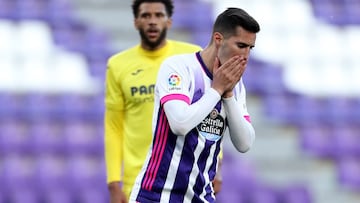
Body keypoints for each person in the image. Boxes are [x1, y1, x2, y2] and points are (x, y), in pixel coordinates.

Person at [129, 7, 260, 203]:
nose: (246, 56)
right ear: (218, 39)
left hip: (201, 197)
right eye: (241, 45)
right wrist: (216, 89)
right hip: (156, 195)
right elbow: (180, 124)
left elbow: (245, 143)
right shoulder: (179, 68)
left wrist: (228, 95)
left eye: (250, 48)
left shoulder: (236, 85)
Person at [104, 1, 222, 202]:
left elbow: (213, 114)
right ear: (135, 22)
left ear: (169, 21)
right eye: (146, 15)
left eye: (158, 15)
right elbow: (114, 127)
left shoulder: (191, 57)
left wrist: (216, 166)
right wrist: (114, 182)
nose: (152, 21)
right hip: (140, 181)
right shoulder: (118, 65)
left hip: (186, 176)